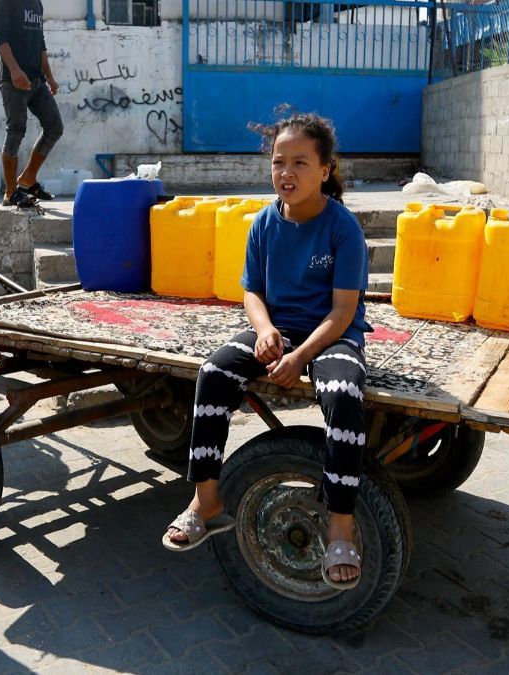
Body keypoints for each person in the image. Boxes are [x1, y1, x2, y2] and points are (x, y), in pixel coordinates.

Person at [162, 112, 371, 591]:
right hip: (278, 330)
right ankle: (206, 501)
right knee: (213, 373)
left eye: (300, 162)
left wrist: (299, 359)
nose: (286, 173)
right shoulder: (262, 223)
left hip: (331, 335)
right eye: (279, 162)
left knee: (342, 395)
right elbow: (251, 292)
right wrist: (264, 330)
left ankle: (341, 525)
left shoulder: (343, 229)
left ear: (325, 169)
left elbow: (342, 313)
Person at [0, 0, 63, 208]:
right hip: (13, 80)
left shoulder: (37, 3)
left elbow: (40, 43)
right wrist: (14, 69)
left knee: (54, 127)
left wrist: (49, 76)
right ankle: (10, 192)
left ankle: (28, 178)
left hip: (37, 80)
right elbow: (0, 38)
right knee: (15, 130)